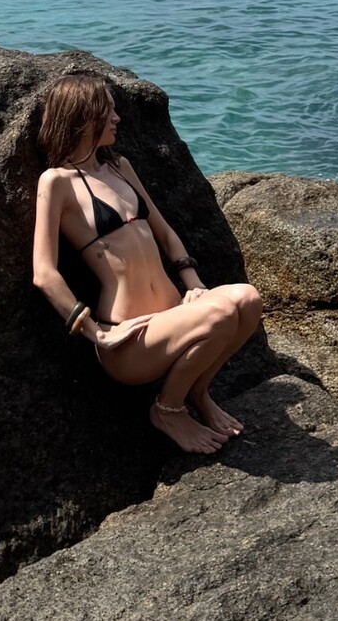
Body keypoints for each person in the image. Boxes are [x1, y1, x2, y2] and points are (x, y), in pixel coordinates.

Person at [32, 71, 263, 454]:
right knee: (222, 313)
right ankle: (168, 410)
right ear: (83, 117)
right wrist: (96, 333)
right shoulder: (56, 182)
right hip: (131, 340)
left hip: (173, 316)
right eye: (108, 111)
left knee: (248, 299)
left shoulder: (120, 167)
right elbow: (44, 273)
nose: (117, 118)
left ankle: (197, 393)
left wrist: (193, 282)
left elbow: (165, 233)